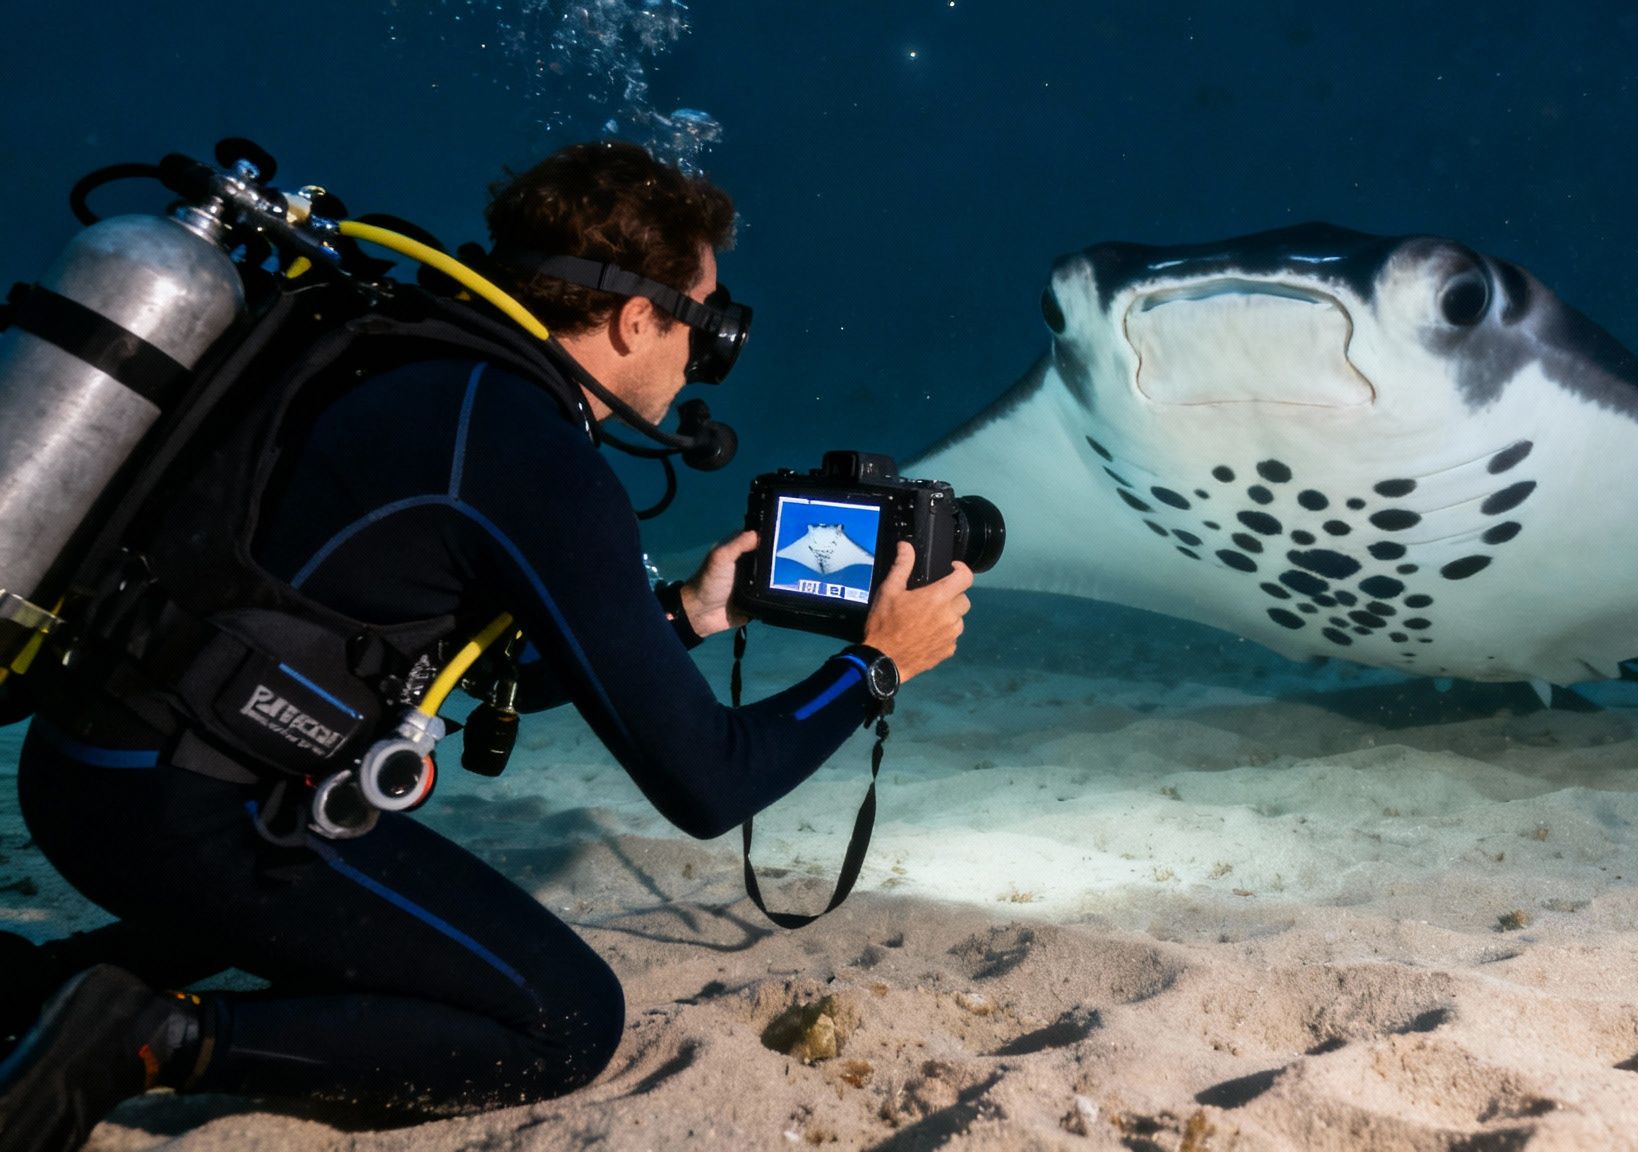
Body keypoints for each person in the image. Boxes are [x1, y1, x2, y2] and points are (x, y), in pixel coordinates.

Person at [0, 140, 973, 1150]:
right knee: (561, 1021)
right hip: (188, 807)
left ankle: (30, 986)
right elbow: (709, 787)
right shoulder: (532, 453)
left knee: (341, 917)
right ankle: (148, 1040)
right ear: (639, 318)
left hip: (87, 767)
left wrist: (684, 613)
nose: (701, 361)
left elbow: (484, 679)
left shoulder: (418, 366)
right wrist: (876, 663)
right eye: (708, 326)